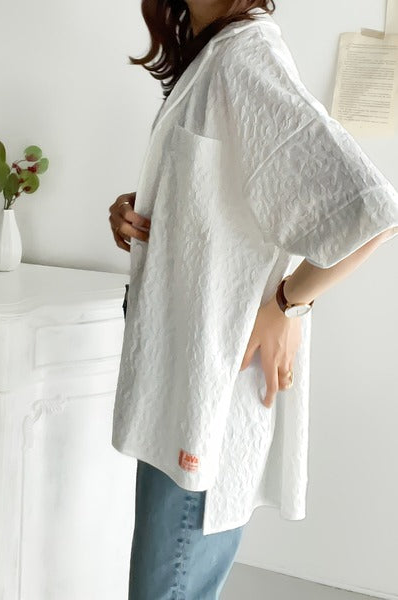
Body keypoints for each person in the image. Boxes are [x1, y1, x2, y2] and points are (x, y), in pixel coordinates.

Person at [108, 1, 398, 598]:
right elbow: (228, 203)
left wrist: (288, 305)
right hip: (183, 377)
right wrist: (153, 204)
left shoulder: (245, 58)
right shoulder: (216, 54)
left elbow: (370, 212)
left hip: (211, 382)